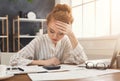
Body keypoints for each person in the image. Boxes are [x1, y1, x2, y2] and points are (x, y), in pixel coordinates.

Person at [10, 4, 87, 66]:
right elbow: (13, 60)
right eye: (51, 31)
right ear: (47, 26)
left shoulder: (66, 40)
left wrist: (71, 35)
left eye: (61, 33)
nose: (55, 37)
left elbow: (83, 61)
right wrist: (44, 62)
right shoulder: (39, 40)